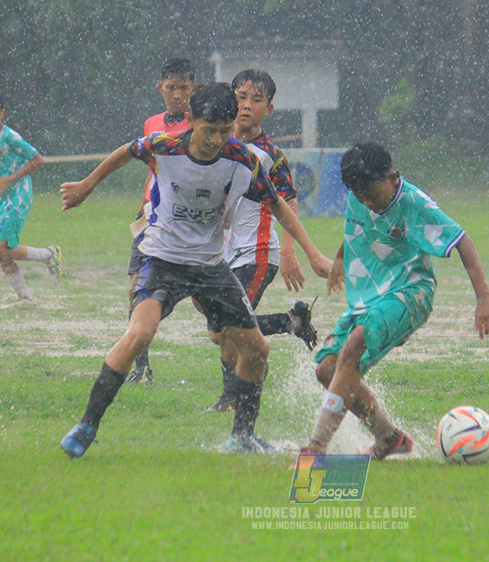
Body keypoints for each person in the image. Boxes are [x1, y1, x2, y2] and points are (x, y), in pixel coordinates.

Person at [59, 82, 331, 458]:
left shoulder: (243, 160)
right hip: (163, 260)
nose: (216, 140)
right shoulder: (165, 146)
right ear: (189, 120)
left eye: (224, 130)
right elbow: (126, 151)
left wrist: (312, 254)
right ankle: (87, 424)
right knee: (140, 334)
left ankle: (242, 438)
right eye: (209, 130)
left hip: (210, 267)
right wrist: (87, 185)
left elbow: (278, 204)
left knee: (256, 349)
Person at [298, 143, 489, 459]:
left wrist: (484, 298)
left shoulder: (414, 203)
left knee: (352, 349)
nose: (367, 202)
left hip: (410, 291)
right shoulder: (360, 195)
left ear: (391, 178)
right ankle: (389, 438)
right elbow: (359, 228)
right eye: (359, 196)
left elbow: (462, 241)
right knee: (327, 370)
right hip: (369, 296)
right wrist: (339, 259)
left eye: (372, 195)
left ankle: (316, 448)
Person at [203, 69, 327, 412]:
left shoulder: (270, 154)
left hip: (257, 254)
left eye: (256, 100)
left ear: (268, 109)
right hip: (221, 254)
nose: (246, 105)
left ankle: (231, 398)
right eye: (241, 97)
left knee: (228, 328)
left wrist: (288, 252)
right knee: (220, 333)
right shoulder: (216, 142)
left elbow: (288, 203)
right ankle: (290, 322)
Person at [126, 58, 196, 384]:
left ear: (193, 88)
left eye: (184, 87)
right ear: (160, 88)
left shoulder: (199, 125)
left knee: (204, 303)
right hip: (149, 217)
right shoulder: (151, 123)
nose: (177, 94)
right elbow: (152, 169)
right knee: (134, 289)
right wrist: (144, 204)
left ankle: (251, 347)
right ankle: (142, 368)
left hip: (183, 220)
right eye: (171, 87)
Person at [0, 97, 61, 305]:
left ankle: (48, 254)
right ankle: (25, 297)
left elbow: (37, 160)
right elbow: (0, 165)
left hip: (19, 196)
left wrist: (9, 179)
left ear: (2, 113)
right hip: (1, 198)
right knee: (1, 254)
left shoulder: (11, 136)